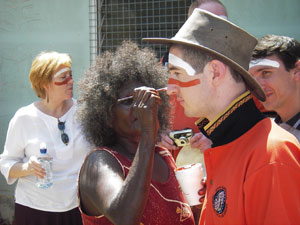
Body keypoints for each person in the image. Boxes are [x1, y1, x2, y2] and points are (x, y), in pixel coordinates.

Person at [144, 9, 300, 224]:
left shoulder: (272, 154)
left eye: (177, 73)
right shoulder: (225, 144)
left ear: (215, 72)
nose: (170, 89)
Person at [76, 41, 197, 225]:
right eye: (128, 101)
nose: (141, 107)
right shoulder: (100, 162)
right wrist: (149, 132)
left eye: (147, 98)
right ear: (106, 114)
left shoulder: (163, 156)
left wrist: (199, 201)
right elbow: (125, 218)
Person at [0, 51, 91, 225]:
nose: (71, 81)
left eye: (70, 75)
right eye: (63, 77)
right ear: (44, 84)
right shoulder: (24, 118)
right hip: (34, 209)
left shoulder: (85, 113)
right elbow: (6, 163)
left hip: (79, 207)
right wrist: (28, 167)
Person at [159, 0, 228, 172]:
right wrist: (158, 134)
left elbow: (256, 119)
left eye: (223, 22)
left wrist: (218, 137)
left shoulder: (240, 67)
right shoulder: (168, 64)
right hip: (178, 169)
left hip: (225, 164)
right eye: (209, 21)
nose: (217, 28)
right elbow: (152, 112)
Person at [249, 34, 300, 141]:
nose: (257, 85)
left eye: (266, 73)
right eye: (251, 77)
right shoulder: (265, 131)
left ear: (297, 71)